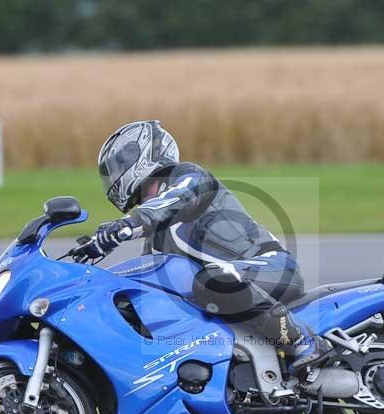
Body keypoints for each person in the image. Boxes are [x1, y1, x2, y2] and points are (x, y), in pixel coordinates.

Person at [87, 120, 328, 376]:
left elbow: (171, 202)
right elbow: (150, 282)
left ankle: (301, 340)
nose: (114, 175)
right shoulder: (157, 237)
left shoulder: (189, 177)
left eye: (119, 166)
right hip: (229, 288)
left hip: (271, 268)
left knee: (211, 280)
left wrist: (127, 225)